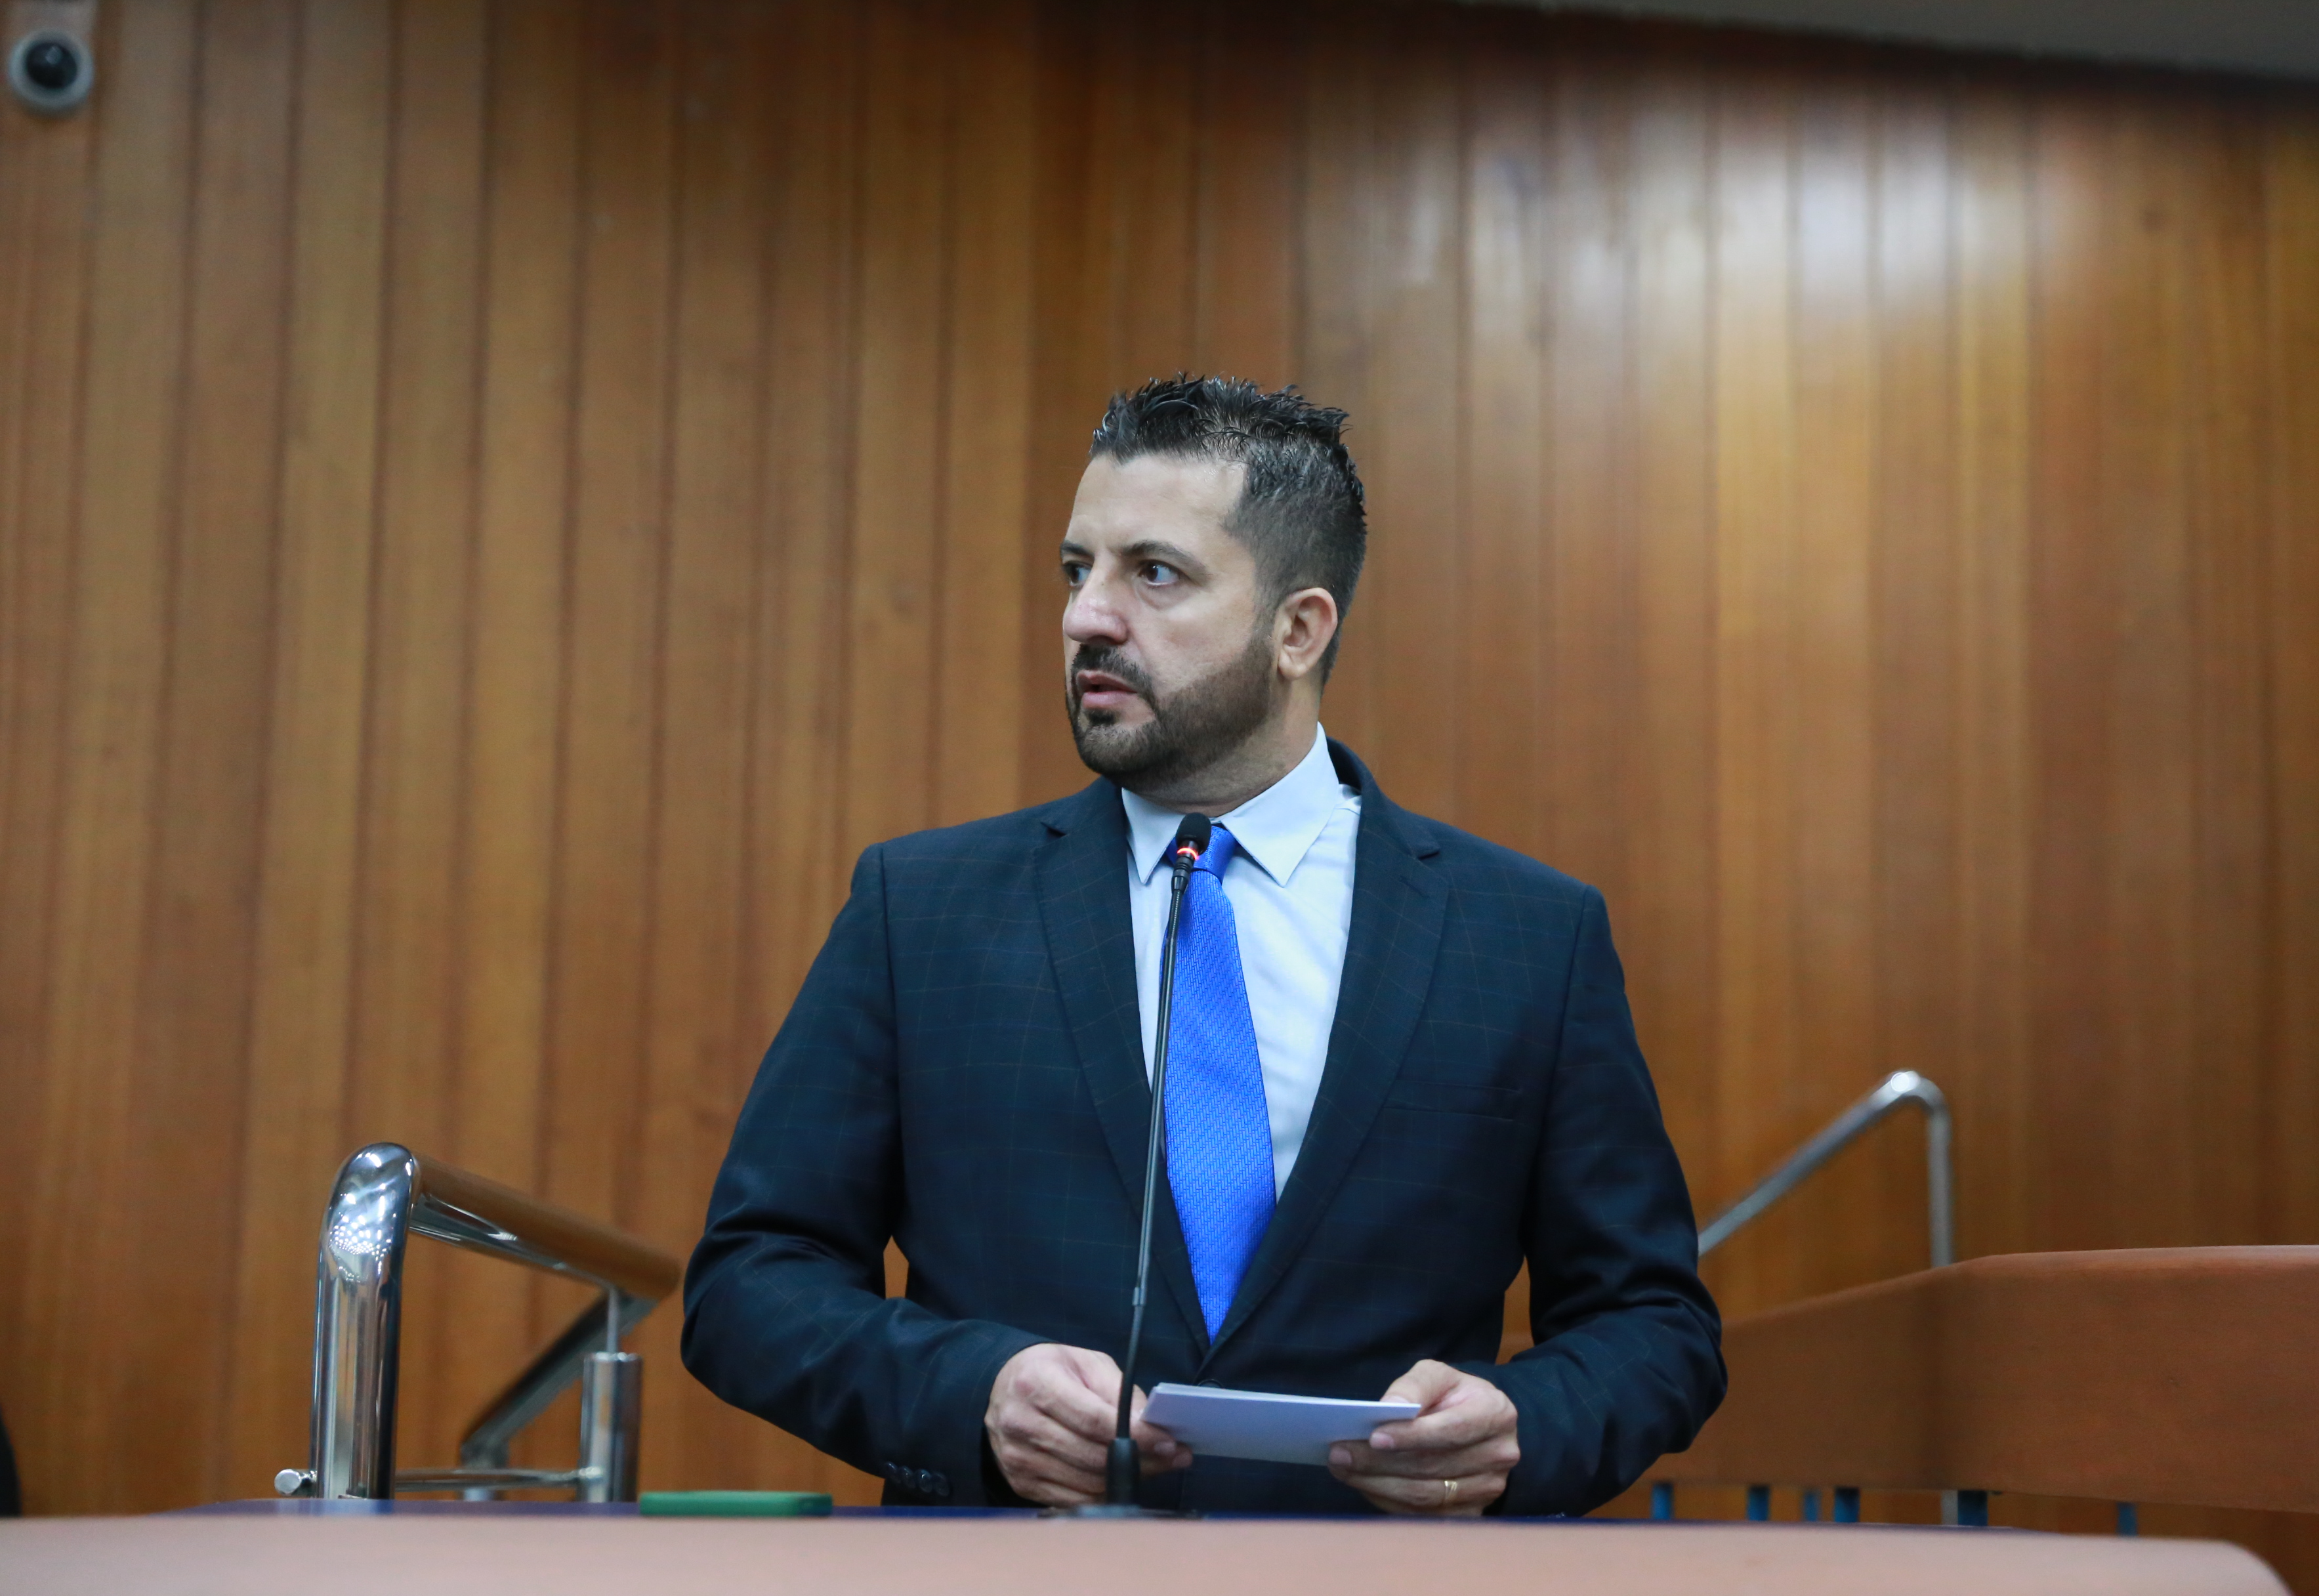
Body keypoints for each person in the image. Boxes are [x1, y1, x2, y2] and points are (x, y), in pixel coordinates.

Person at [682, 377, 1723, 1515]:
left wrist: (1523, 1429)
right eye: (1077, 570)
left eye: (1155, 573)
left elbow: (1652, 1325)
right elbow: (751, 1281)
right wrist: (972, 1394)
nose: (1087, 617)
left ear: (1297, 630)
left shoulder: (1524, 936)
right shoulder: (920, 910)